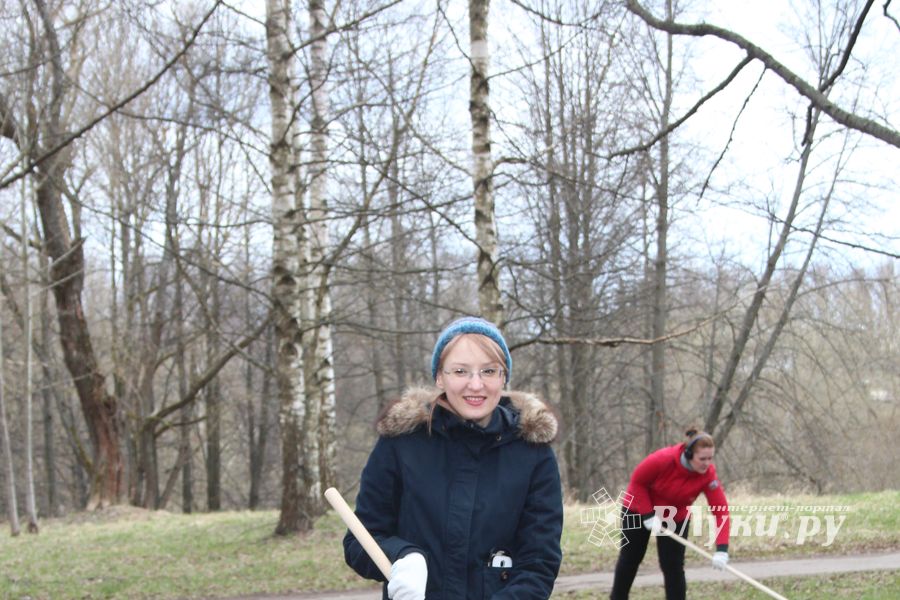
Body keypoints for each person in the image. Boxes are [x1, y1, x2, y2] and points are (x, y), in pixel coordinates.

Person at [343, 316, 564, 600]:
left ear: (503, 377)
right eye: (460, 371)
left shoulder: (532, 453)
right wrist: (402, 557)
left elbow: (539, 563)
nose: (476, 385)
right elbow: (360, 541)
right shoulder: (401, 443)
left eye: (488, 371)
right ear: (440, 377)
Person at [609, 428, 731, 600]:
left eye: (710, 458)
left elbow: (720, 510)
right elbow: (637, 482)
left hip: (675, 516)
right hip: (638, 508)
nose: (707, 463)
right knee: (631, 558)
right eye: (702, 459)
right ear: (689, 454)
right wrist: (648, 514)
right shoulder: (663, 459)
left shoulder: (708, 475)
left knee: (673, 566)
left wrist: (722, 549)